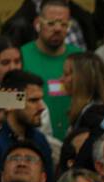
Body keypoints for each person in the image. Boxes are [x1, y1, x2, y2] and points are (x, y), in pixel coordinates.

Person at [18, 0, 83, 141]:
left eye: (64, 24)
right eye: (51, 23)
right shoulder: (20, 56)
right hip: (33, 141)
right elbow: (7, 100)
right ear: (38, 23)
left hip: (74, 141)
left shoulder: (79, 58)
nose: (58, 29)